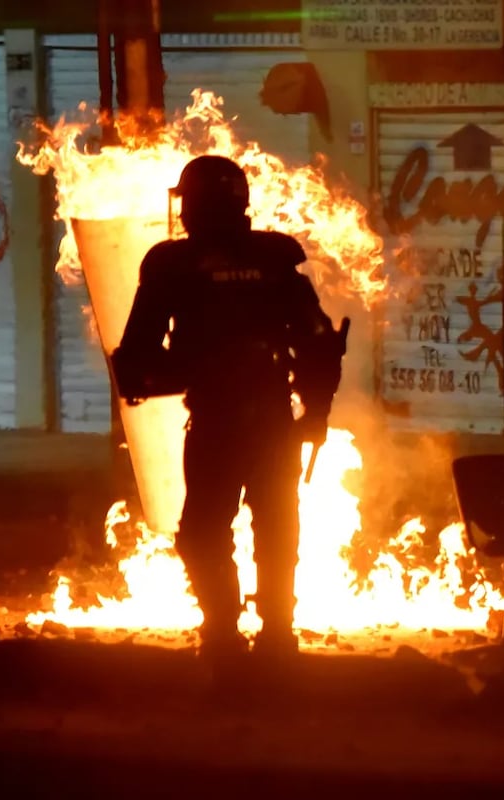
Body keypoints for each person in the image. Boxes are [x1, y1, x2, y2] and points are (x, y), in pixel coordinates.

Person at [109, 155, 345, 675]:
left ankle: (221, 634)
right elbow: (318, 342)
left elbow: (140, 347)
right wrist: (317, 412)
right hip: (272, 422)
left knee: (203, 530)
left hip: (216, 423)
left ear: (190, 206)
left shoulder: (172, 265)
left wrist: (160, 376)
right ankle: (278, 635)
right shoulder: (276, 259)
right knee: (278, 526)